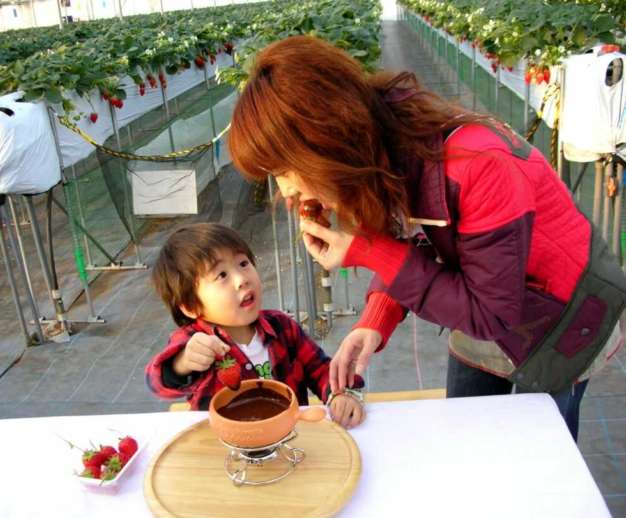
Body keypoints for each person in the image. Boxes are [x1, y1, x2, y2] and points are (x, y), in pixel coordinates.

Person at [227, 35, 626, 441]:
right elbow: (412, 240)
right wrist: (375, 320)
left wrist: (367, 250)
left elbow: (491, 314)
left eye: (284, 169)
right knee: (468, 438)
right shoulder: (388, 154)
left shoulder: (480, 166)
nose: (287, 191)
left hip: (563, 318)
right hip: (484, 308)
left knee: (542, 458)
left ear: (325, 144)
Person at [145, 222, 365, 429]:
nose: (242, 279)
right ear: (191, 306)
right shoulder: (195, 342)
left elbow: (319, 369)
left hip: (289, 436)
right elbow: (157, 383)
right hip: (225, 446)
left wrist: (341, 394)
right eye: (222, 275)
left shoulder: (282, 326)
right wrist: (182, 364)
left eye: (243, 263)